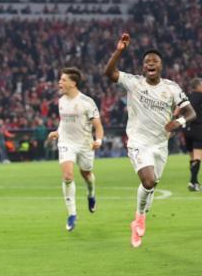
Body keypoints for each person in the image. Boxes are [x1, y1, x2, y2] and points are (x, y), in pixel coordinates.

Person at [104, 33, 196, 247]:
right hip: (138, 142)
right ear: (143, 67)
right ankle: (139, 217)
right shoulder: (133, 83)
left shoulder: (171, 88)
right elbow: (108, 73)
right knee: (148, 180)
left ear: (161, 66)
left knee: (151, 186)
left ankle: (140, 217)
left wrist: (179, 122)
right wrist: (119, 51)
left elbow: (191, 112)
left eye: (155, 61)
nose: (151, 63)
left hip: (160, 145)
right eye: (147, 62)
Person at [47, 67, 104, 231]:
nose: (60, 82)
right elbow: (64, 122)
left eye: (63, 80)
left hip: (85, 144)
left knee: (86, 174)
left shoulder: (87, 102)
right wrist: (57, 132)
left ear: (73, 83)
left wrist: (98, 140)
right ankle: (72, 214)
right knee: (67, 175)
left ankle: (91, 194)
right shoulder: (61, 101)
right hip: (66, 143)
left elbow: (98, 126)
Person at [184, 78, 202, 191]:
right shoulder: (201, 96)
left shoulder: (187, 97)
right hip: (198, 129)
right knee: (197, 157)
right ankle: (192, 182)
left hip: (187, 130)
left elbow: (177, 111)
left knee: (192, 157)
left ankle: (194, 182)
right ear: (198, 86)